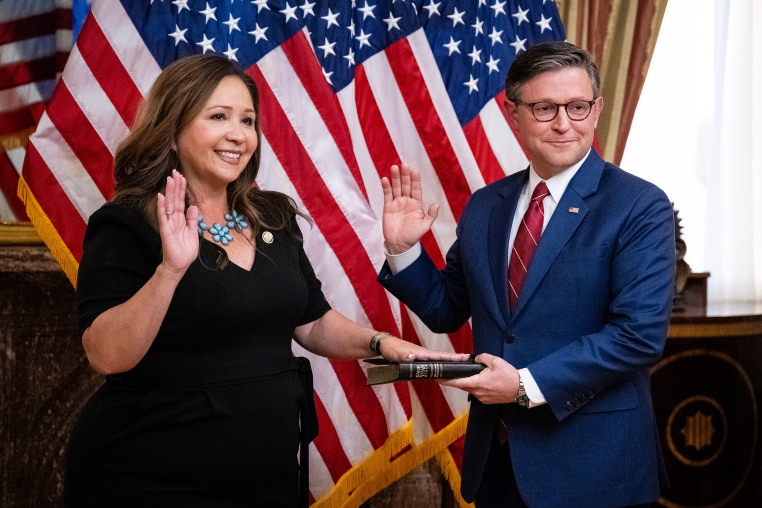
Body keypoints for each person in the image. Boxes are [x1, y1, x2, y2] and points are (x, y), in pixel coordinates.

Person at [64, 53, 468, 508]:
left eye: (248, 120)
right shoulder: (127, 223)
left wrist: (380, 342)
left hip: (267, 476)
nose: (239, 134)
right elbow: (107, 355)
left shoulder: (272, 215)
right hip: (149, 477)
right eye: (218, 116)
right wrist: (169, 272)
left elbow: (311, 322)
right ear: (172, 131)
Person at [377, 41, 675, 508]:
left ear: (596, 111)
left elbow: (638, 336)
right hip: (497, 461)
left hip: (596, 468)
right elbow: (447, 309)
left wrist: (522, 385)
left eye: (577, 107)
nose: (563, 123)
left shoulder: (639, 206)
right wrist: (402, 252)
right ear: (512, 113)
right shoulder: (485, 206)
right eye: (544, 108)